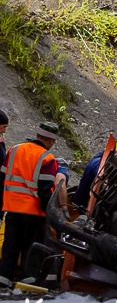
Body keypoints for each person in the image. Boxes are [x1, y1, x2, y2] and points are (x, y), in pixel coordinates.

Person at [0, 122, 64, 285]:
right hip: (33, 213)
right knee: (30, 248)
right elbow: (44, 191)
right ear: (51, 141)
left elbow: (1, 178)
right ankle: (27, 283)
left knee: (10, 247)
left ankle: (3, 280)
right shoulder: (47, 158)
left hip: (12, 208)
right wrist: (50, 216)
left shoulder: (14, 150)